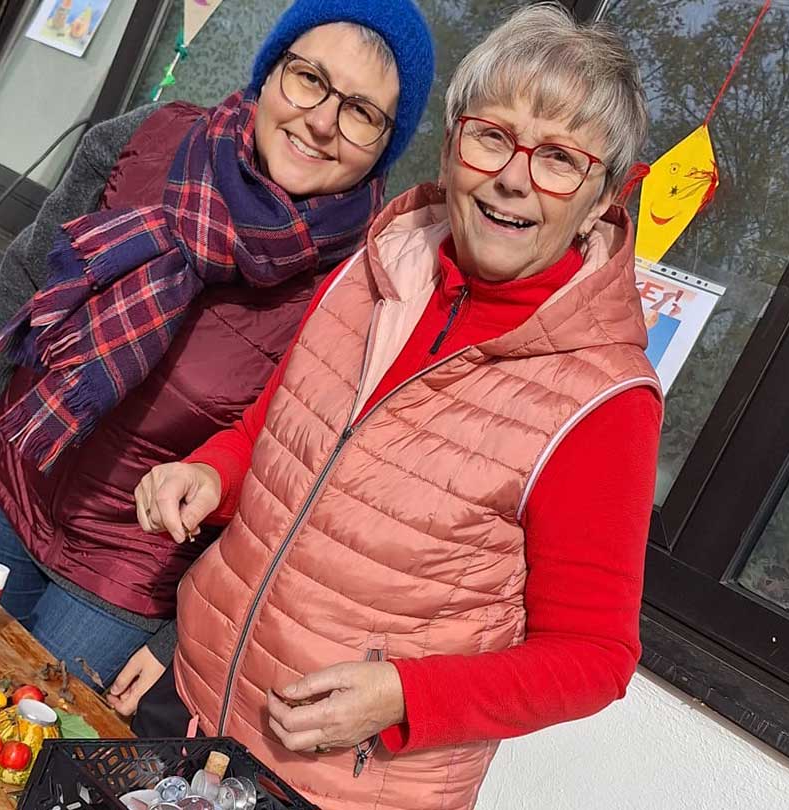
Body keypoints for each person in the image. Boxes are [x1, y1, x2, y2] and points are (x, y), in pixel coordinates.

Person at [135, 4, 661, 809]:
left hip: (338, 786)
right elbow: (272, 435)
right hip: (197, 705)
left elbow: (593, 656)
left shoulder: (601, 399)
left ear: (600, 198)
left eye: (559, 157)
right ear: (452, 148)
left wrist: (407, 698)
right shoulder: (375, 266)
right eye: (492, 135)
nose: (514, 176)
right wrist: (211, 474)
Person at [0, 0, 436, 701]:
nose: (323, 121)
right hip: (18, 468)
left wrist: (177, 634)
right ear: (270, 73)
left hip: (124, 574)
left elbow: (287, 479)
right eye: (309, 78)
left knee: (16, 750)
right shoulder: (148, 138)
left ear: (385, 145)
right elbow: (35, 262)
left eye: (362, 113)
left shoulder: (357, 286)